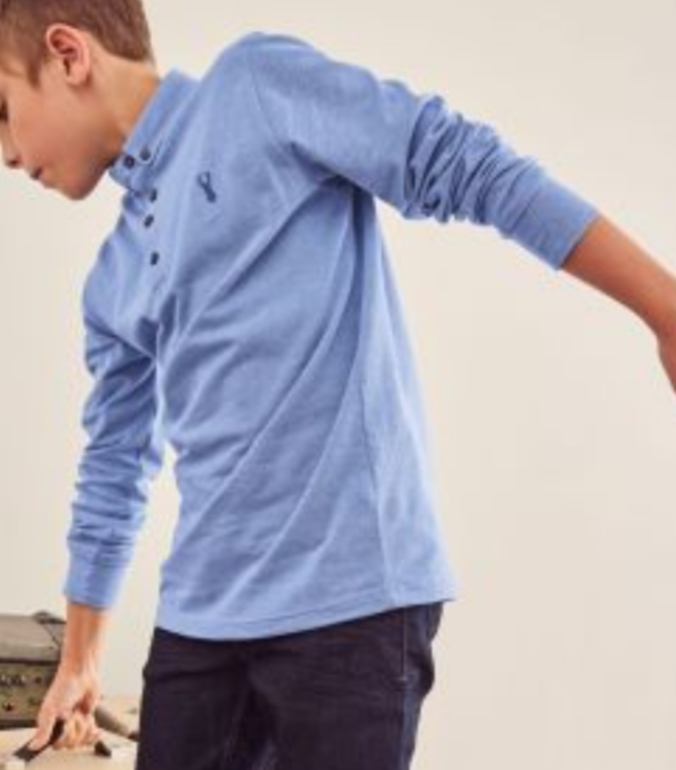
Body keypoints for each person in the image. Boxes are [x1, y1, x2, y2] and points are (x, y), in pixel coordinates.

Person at [1, 1, 675, 768]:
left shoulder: (255, 88)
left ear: (68, 54)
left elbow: (463, 163)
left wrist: (663, 308)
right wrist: (79, 660)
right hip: (199, 624)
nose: (8, 155)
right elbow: (114, 468)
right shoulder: (111, 281)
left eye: (3, 113)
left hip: (348, 611)